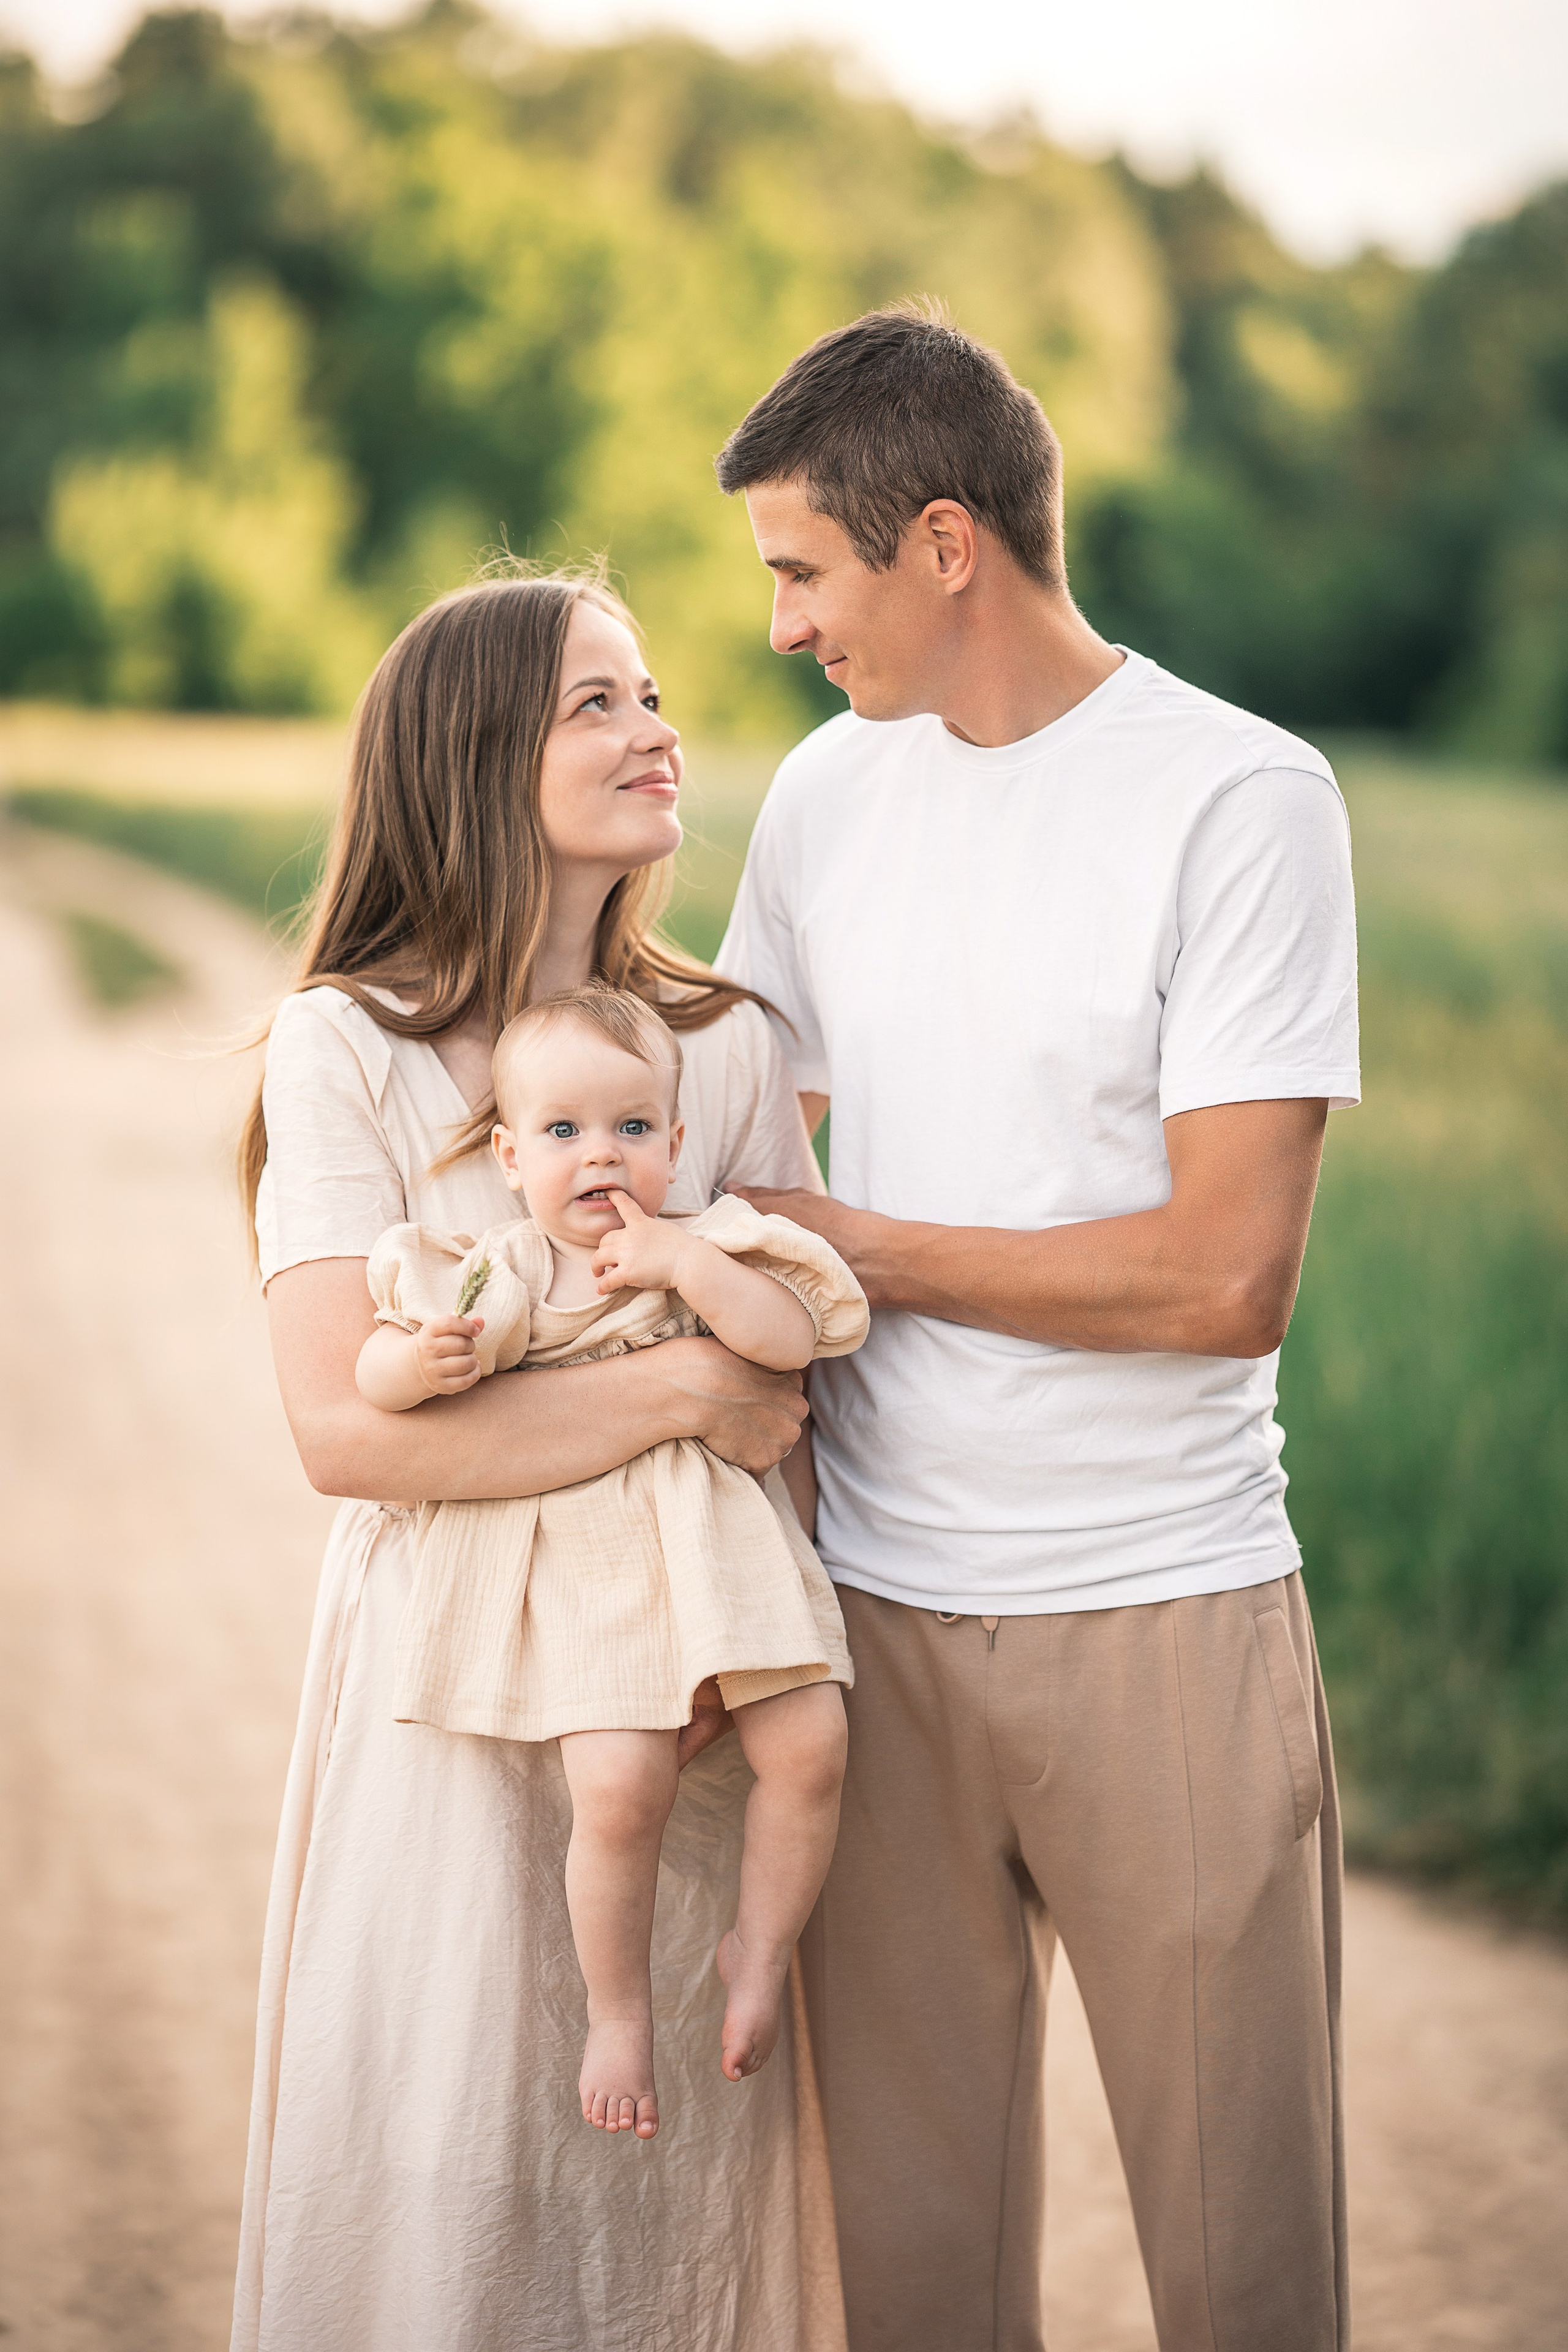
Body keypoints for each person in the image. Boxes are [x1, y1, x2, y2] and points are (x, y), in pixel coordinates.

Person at [712, 304, 1359, 2352]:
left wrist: (872, 1250)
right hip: (873, 1630)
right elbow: (726, 1137)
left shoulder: (1240, 801)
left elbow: (1219, 1277)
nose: (789, 624)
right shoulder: (828, 803)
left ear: (943, 544)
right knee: (913, 2281)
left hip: (1162, 1620)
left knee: (1242, 2273)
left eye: (803, 571)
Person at [230, 568, 849, 2352]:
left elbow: (786, 1396)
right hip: (443, 1684)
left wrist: (740, 1482)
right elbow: (349, 1430)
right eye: (599, 702)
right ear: (473, 753)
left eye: (650, 693)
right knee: (449, 2166)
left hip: (685, 1671)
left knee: (669, 2203)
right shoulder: (346, 1041)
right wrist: (678, 1405)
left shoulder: (724, 1044)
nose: (657, 728)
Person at [355, 984, 865, 2139]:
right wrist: (425, 1363)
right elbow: (382, 1380)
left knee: (814, 1745)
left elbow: (793, 1342)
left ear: (675, 1146)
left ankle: (759, 1945)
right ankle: (618, 2011)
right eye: (565, 1133)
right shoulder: (515, 1267)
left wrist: (687, 1266)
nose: (602, 1159)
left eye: (633, 1130)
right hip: (597, 1578)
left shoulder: (716, 1243)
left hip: (724, 1559)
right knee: (622, 1788)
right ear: (511, 1156)